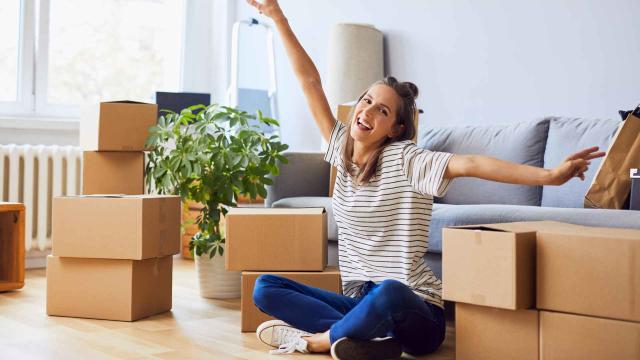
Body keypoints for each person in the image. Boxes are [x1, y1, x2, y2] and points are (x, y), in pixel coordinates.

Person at [246, 1, 605, 359]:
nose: (367, 112)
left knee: (388, 292)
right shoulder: (340, 147)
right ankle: (365, 338)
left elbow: (471, 163)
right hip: (360, 302)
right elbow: (309, 82)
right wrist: (278, 17)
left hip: (415, 310)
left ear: (396, 128)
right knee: (266, 288)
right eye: (366, 101)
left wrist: (550, 176)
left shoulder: (407, 159)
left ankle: (320, 340)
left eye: (382, 111)